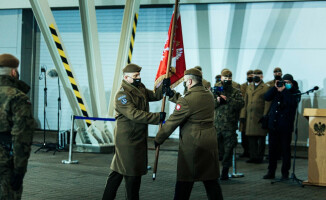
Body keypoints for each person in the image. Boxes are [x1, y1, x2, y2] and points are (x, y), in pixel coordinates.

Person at [154, 68, 223, 200]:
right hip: (209, 142)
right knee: (211, 181)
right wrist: (172, 94)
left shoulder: (187, 99)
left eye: (185, 81)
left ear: (190, 81)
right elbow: (192, 103)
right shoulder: (208, 95)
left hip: (193, 145)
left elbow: (172, 122)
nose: (185, 84)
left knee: (184, 181)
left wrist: (159, 138)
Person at [102, 63, 166, 200]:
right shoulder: (122, 95)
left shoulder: (140, 88)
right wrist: (157, 117)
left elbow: (154, 96)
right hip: (128, 141)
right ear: (126, 77)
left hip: (137, 138)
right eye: (135, 76)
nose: (139, 77)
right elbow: (134, 114)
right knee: (132, 177)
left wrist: (163, 86)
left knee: (117, 173)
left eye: (139, 75)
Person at [0, 53, 36, 199]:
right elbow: (21, 136)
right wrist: (19, 169)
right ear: (14, 72)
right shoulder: (18, 97)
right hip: (5, 163)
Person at [263, 74, 300, 179]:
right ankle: (271, 172)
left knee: (285, 150)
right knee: (272, 150)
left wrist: (284, 90)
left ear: (292, 83)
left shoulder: (295, 92)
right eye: (284, 82)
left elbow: (292, 103)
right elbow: (266, 97)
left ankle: (285, 173)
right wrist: (275, 87)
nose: (286, 84)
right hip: (274, 125)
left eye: (288, 82)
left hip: (285, 127)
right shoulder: (277, 90)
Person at [214, 69, 244, 180]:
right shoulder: (215, 89)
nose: (227, 80)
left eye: (229, 78)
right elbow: (209, 104)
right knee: (215, 151)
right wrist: (217, 100)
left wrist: (228, 99)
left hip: (230, 126)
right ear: (221, 77)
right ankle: (213, 172)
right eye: (225, 78)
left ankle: (225, 172)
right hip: (217, 125)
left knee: (228, 150)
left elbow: (241, 103)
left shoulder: (235, 91)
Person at [240, 69, 271, 164]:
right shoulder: (249, 87)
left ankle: (259, 157)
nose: (256, 76)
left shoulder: (265, 87)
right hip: (250, 116)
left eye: (259, 75)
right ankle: (252, 156)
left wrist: (265, 115)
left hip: (259, 116)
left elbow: (267, 102)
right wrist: (243, 115)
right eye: (255, 75)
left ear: (262, 76)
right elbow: (245, 102)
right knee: (251, 138)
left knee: (261, 139)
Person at [239, 70, 254, 158]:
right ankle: (245, 151)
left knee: (251, 134)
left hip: (252, 112)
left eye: (251, 75)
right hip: (244, 111)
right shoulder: (243, 86)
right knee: (243, 133)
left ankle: (252, 152)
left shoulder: (255, 86)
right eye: (248, 75)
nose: (250, 76)